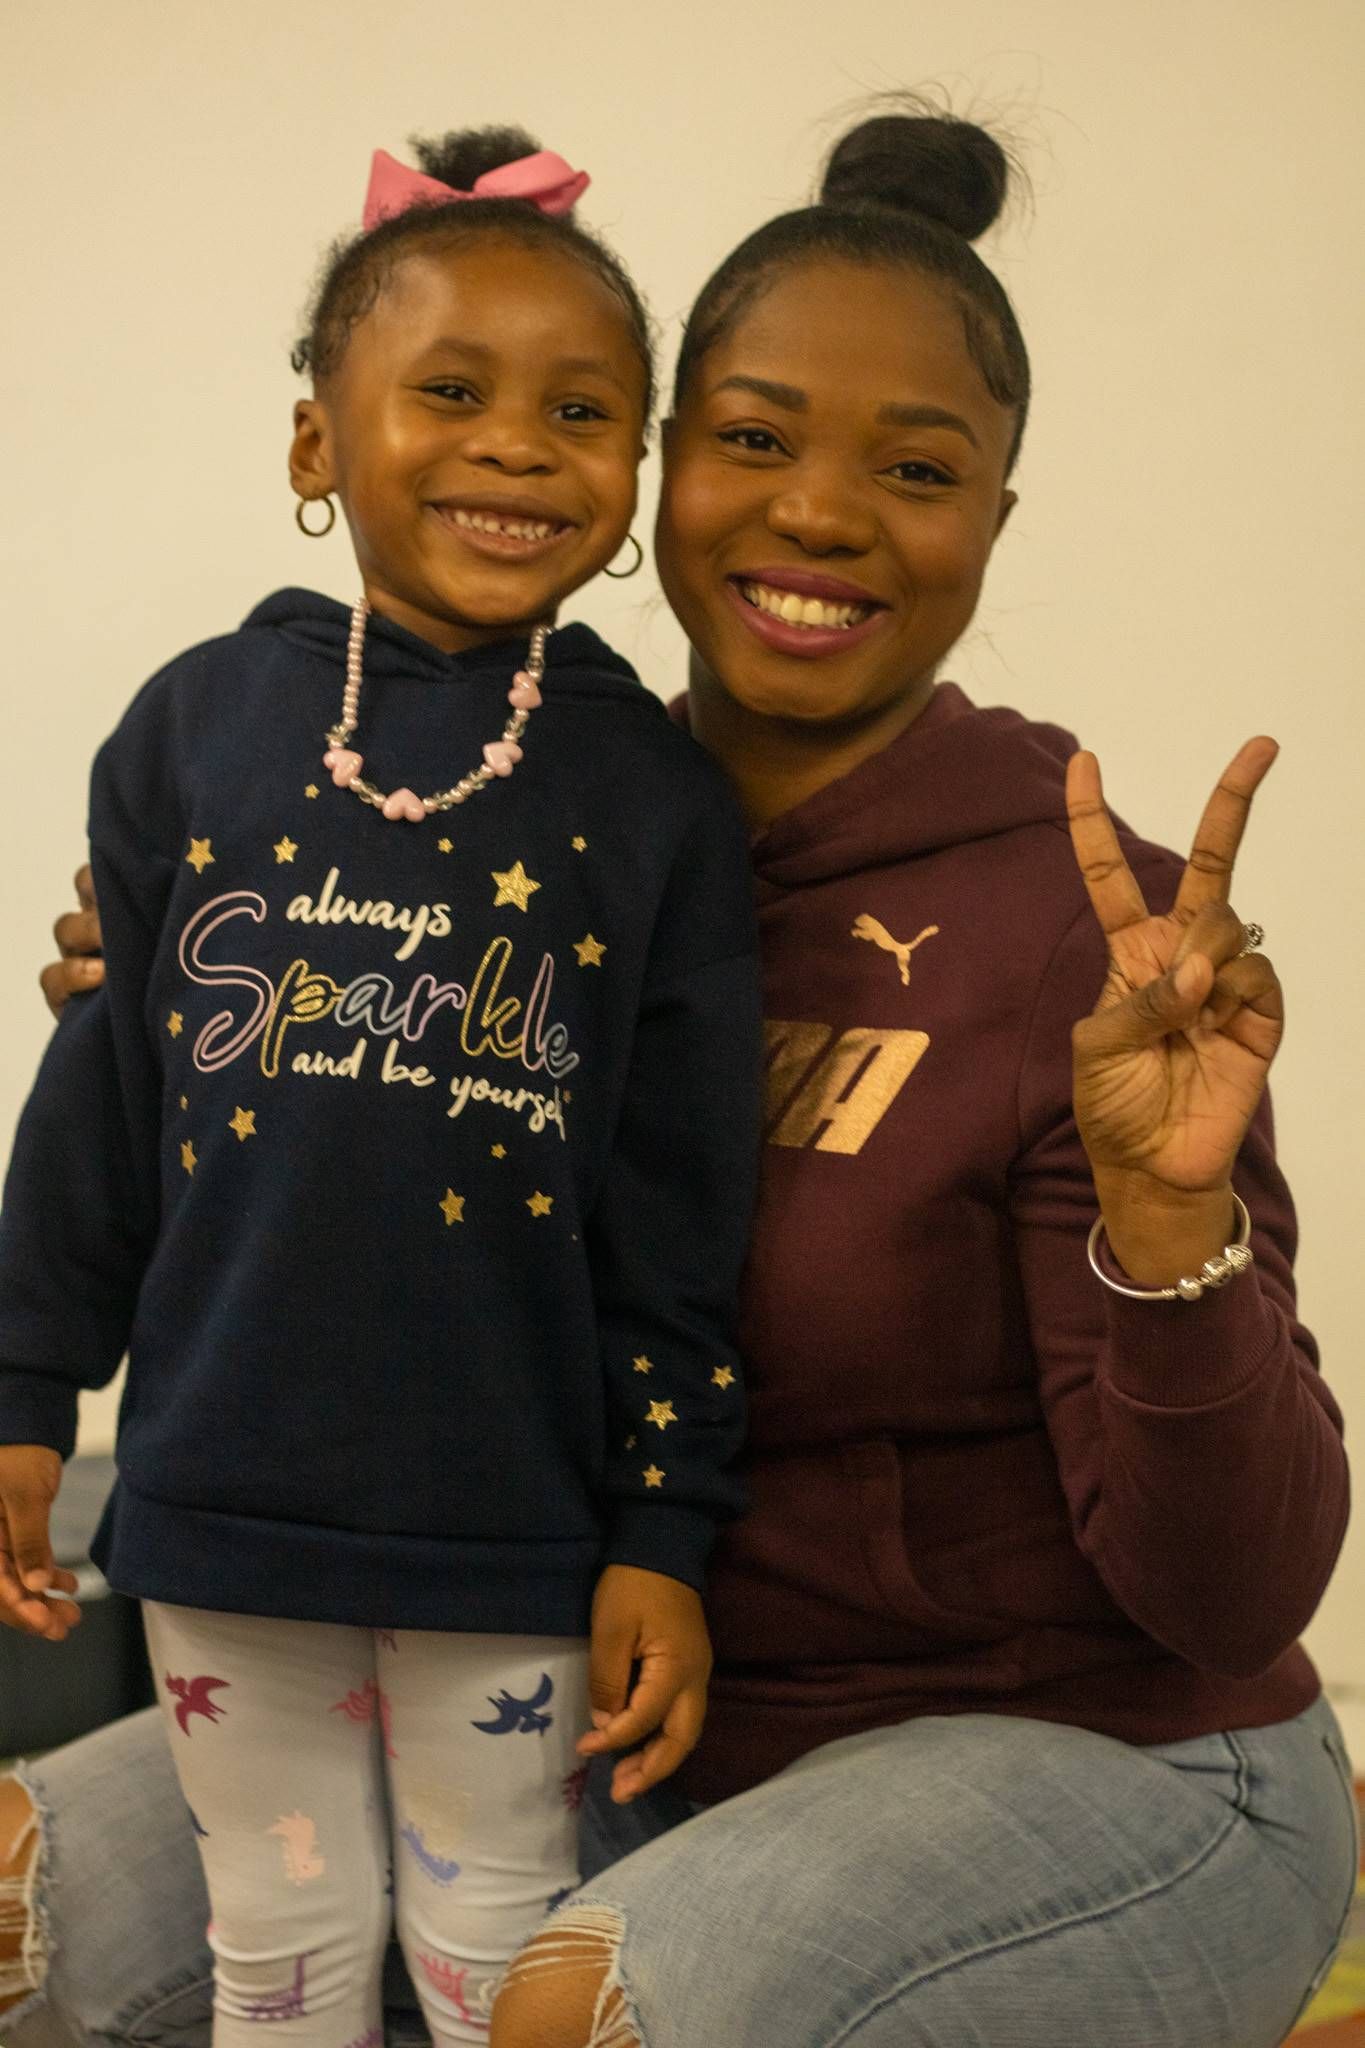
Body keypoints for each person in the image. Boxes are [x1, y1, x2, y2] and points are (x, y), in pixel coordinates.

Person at [4, 106, 1356, 2048]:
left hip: (1067, 1741)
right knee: (18, 1913)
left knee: (567, 2012)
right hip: (606, 1694)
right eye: (750, 439)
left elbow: (1227, 1596)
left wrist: (1170, 1227)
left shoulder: (1091, 934)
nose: (817, 510)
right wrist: (186, 993)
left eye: (913, 467)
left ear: (990, 517)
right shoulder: (495, 821)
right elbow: (193, 1135)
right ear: (665, 471)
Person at [0, 130, 762, 2048]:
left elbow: (679, 1212)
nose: (517, 445)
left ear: (635, 471)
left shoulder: (657, 801)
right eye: (448, 392)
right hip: (222, 1506)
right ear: (312, 448)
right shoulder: (195, 725)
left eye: (581, 411)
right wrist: (20, 1392)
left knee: (496, 1944)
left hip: (509, 1520)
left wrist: (662, 1520)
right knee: (276, 1946)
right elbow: (103, 1103)